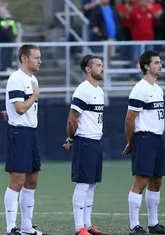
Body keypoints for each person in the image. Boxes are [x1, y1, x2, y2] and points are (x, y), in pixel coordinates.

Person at [123, 51, 165, 235]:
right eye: (156, 63)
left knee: (156, 181)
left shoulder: (157, 89)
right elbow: (130, 119)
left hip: (157, 139)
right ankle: (134, 226)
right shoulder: (140, 88)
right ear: (146, 66)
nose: (160, 66)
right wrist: (131, 142)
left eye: (160, 62)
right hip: (144, 138)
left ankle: (153, 224)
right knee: (141, 181)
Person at [2, 44, 49, 235]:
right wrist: (35, 95)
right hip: (19, 133)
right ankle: (10, 228)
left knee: (32, 180)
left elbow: (18, 108)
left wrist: (10, 111)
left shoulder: (32, 79)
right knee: (17, 180)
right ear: (24, 58)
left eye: (39, 57)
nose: (40, 61)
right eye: (36, 57)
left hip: (30, 133)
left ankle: (27, 227)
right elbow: (21, 108)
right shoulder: (17, 78)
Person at [63, 55, 108, 235]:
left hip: (96, 141)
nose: (102, 68)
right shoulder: (83, 90)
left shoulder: (99, 91)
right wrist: (72, 139)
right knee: (82, 184)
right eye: (98, 65)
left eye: (102, 65)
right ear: (88, 69)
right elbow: (72, 119)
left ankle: (88, 225)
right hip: (85, 142)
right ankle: (78, 227)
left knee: (92, 184)